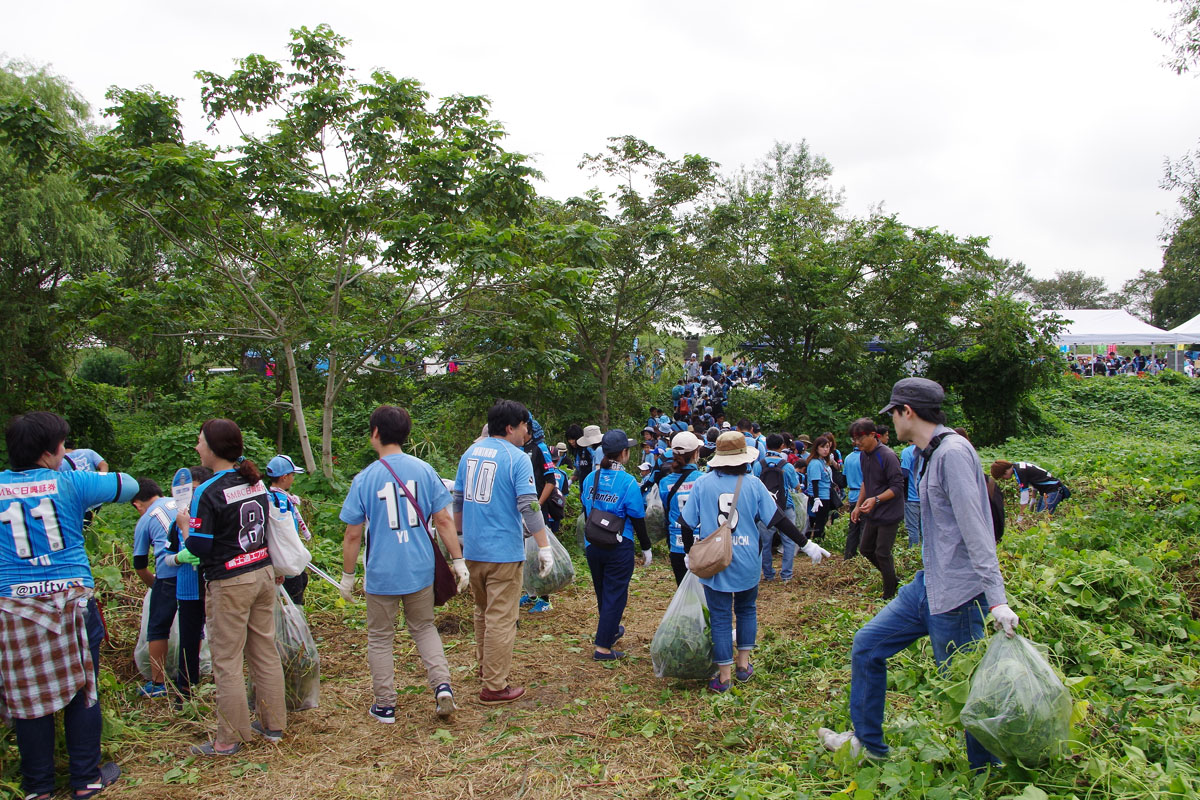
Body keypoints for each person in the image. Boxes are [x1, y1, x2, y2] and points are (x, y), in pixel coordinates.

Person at [819, 378, 1018, 770]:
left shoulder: (953, 454)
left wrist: (996, 598)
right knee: (868, 644)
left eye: (892, 413)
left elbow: (977, 530)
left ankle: (988, 770)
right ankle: (869, 743)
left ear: (907, 412)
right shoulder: (927, 452)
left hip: (958, 596)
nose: (889, 421)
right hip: (929, 584)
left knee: (966, 687)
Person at [0, 412, 136, 799]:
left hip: (14, 607)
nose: (66, 453)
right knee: (83, 689)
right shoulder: (71, 482)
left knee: (27, 696)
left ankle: (38, 787)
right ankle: (85, 779)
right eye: (63, 447)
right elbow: (128, 485)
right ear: (47, 454)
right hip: (70, 600)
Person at [338, 405, 469, 723]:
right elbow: (443, 520)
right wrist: (458, 561)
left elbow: (353, 535)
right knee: (424, 627)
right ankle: (442, 686)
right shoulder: (424, 470)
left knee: (380, 637)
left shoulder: (364, 479)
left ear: (375, 433)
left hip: (382, 573)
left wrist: (347, 575)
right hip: (420, 568)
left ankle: (384, 705)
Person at [682, 432, 830, 692]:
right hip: (748, 560)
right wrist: (806, 544)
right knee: (747, 609)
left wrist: (689, 552)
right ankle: (744, 665)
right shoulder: (753, 485)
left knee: (720, 617)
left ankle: (724, 677)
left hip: (715, 562)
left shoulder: (703, 484)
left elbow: (686, 523)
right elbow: (780, 520)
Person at [174, 419, 286, 756]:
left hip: (230, 582)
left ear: (211, 447)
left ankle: (228, 738)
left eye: (199, 442)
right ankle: (273, 724)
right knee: (264, 650)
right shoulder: (254, 483)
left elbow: (201, 547)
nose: (196, 448)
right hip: (262, 573)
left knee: (227, 659)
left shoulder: (206, 493)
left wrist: (183, 528)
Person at [453, 400, 554, 705]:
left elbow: (458, 499)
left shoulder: (470, 453)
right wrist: (544, 546)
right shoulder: (517, 458)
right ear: (511, 428)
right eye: (525, 426)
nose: (527, 432)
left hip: (473, 549)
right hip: (503, 553)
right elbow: (529, 505)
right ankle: (494, 687)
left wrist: (459, 539)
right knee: (501, 618)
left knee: (482, 612)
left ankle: (487, 667)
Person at [580, 430, 652, 660]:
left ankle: (609, 630)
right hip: (619, 544)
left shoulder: (591, 478)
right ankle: (603, 647)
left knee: (603, 591)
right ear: (623, 453)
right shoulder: (628, 482)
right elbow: (638, 518)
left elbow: (586, 509)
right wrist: (646, 547)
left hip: (593, 543)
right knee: (616, 593)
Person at [130, 478, 181, 698]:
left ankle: (158, 683)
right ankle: (192, 675)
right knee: (194, 623)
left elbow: (140, 565)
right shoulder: (180, 502)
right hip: (196, 571)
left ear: (137, 504)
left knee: (158, 627)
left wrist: (156, 587)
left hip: (169, 574)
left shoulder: (146, 518)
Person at [848, 419, 904, 600]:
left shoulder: (887, 456)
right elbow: (866, 481)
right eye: (854, 439)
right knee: (865, 549)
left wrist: (877, 499)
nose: (857, 442)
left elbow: (897, 487)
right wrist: (858, 506)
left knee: (882, 552)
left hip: (889, 512)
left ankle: (890, 593)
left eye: (860, 438)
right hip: (872, 511)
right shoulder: (864, 455)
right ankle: (892, 578)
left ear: (873, 435)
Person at [169, 465, 212, 700]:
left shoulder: (212, 514)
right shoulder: (178, 519)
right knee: (189, 640)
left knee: (219, 637)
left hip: (212, 586)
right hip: (187, 589)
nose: (190, 496)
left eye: (195, 490)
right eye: (187, 491)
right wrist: (178, 557)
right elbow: (166, 556)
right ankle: (185, 690)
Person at [753, 434, 801, 581]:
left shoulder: (758, 465)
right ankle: (786, 575)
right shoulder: (787, 466)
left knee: (765, 543)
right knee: (788, 541)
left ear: (766, 445)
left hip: (764, 509)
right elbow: (796, 486)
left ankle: (768, 574)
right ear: (782, 446)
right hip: (785, 507)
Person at [265, 454, 312, 606]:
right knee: (296, 591)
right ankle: (294, 627)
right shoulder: (282, 501)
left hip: (281, 556)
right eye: (292, 475)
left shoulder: (270, 497)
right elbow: (284, 532)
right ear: (284, 477)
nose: (293, 478)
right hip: (286, 556)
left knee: (301, 580)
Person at [659, 431, 702, 585]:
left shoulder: (665, 483)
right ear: (695, 453)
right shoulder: (704, 480)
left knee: (683, 589)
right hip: (702, 543)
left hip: (677, 545)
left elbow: (665, 508)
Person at [989, 459, 1070, 520]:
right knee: (1038, 515)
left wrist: (1021, 516)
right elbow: (1034, 480)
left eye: (1002, 477)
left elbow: (1024, 496)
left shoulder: (1020, 472)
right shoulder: (1018, 466)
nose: (1004, 479)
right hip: (1046, 491)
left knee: (1043, 518)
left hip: (1053, 490)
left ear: (1005, 472)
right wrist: (1033, 499)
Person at [805, 436, 835, 542]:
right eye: (823, 447)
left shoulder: (823, 462)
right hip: (820, 496)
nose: (826, 450)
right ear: (817, 448)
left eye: (827, 447)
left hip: (825, 494)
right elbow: (815, 482)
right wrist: (816, 498)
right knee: (818, 521)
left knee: (822, 520)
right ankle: (816, 542)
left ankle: (818, 541)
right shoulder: (815, 463)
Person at [842, 437, 864, 561]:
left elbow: (844, 479)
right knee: (864, 528)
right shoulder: (865, 457)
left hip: (852, 495)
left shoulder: (848, 457)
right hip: (864, 496)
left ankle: (848, 556)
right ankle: (863, 557)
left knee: (853, 527)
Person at [899, 442, 922, 549]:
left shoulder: (907, 452)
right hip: (925, 497)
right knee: (925, 530)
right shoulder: (926, 450)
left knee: (913, 528)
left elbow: (904, 474)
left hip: (911, 496)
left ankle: (913, 553)